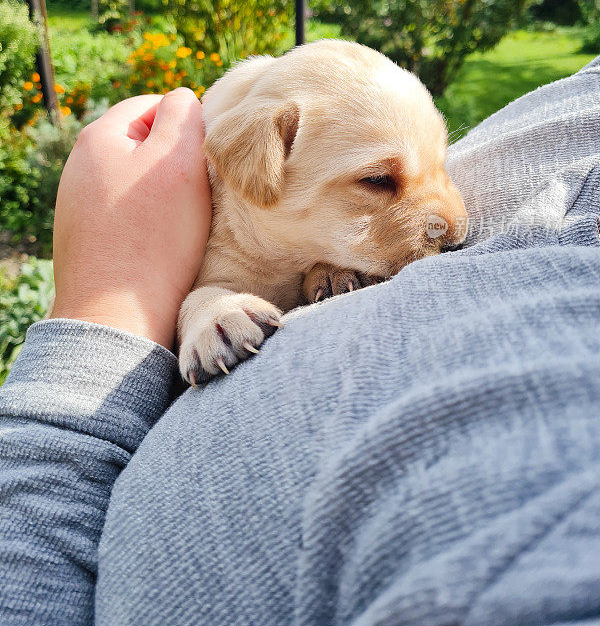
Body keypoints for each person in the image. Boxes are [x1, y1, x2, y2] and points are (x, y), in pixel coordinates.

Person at [0, 60, 599, 626]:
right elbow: (203, 292)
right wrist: (197, 305)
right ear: (262, 157)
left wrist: (99, 303)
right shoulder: (233, 191)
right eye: (379, 180)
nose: (453, 223)